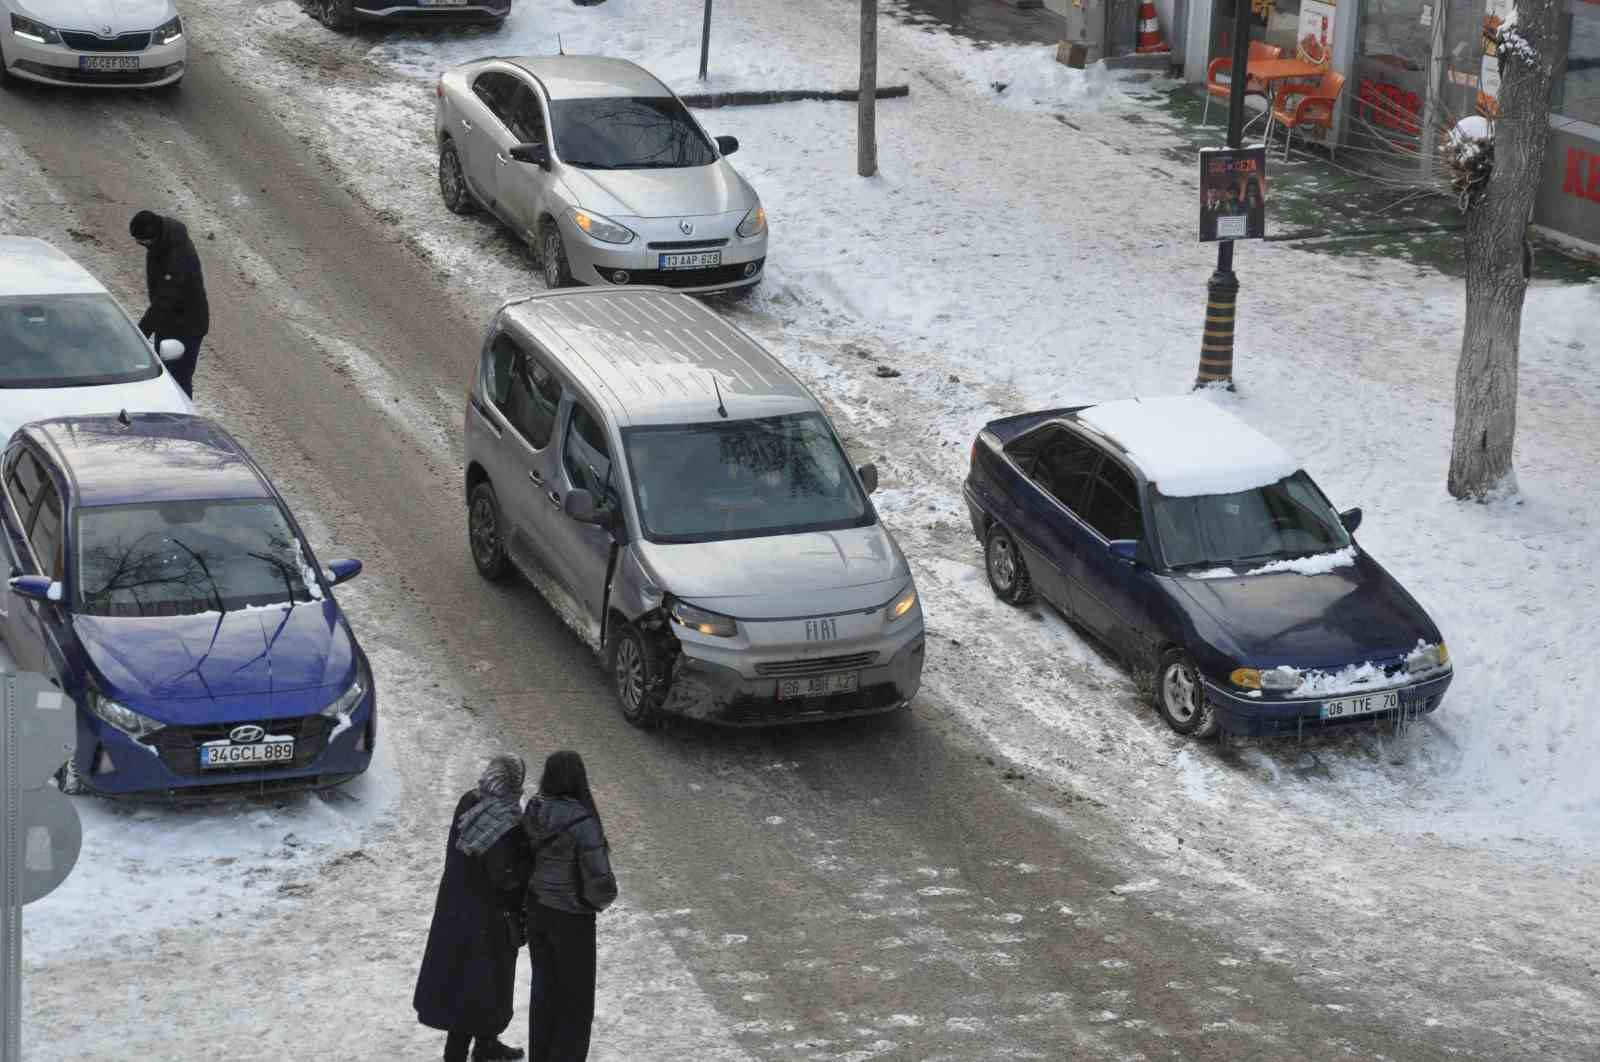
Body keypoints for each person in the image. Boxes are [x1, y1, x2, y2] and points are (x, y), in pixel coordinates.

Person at [415, 755, 531, 1062]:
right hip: (487, 918)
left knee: (472, 985)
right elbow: (505, 876)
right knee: (479, 988)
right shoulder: (501, 818)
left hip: (458, 909)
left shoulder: (471, 801)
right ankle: (459, 1054)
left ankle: (486, 1044)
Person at [523, 750, 618, 1062]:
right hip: (571, 920)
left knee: (544, 994)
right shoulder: (583, 822)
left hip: (538, 912)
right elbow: (600, 883)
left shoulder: (534, 810)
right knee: (575, 1004)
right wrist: (596, 901)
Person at [129, 210, 209, 398]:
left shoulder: (176, 255)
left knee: (178, 382)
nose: (138, 244)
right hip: (168, 323)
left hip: (186, 328)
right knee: (164, 379)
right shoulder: (161, 245)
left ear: (153, 236)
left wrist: (140, 334)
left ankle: (183, 423)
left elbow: (165, 299)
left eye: (141, 240)